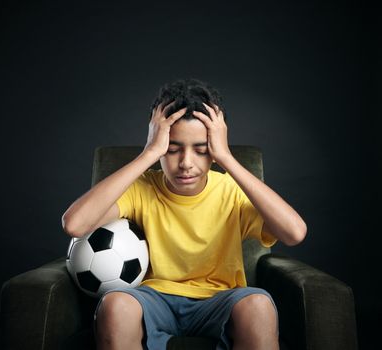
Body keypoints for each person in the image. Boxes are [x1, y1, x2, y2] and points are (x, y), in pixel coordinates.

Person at [62, 78, 307, 350]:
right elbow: (75, 224)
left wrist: (226, 157)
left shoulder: (231, 190)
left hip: (221, 299)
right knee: (115, 305)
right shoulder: (142, 188)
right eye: (173, 149)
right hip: (154, 298)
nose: (186, 163)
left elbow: (294, 233)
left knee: (259, 304)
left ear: (212, 151)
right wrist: (149, 152)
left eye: (201, 150)